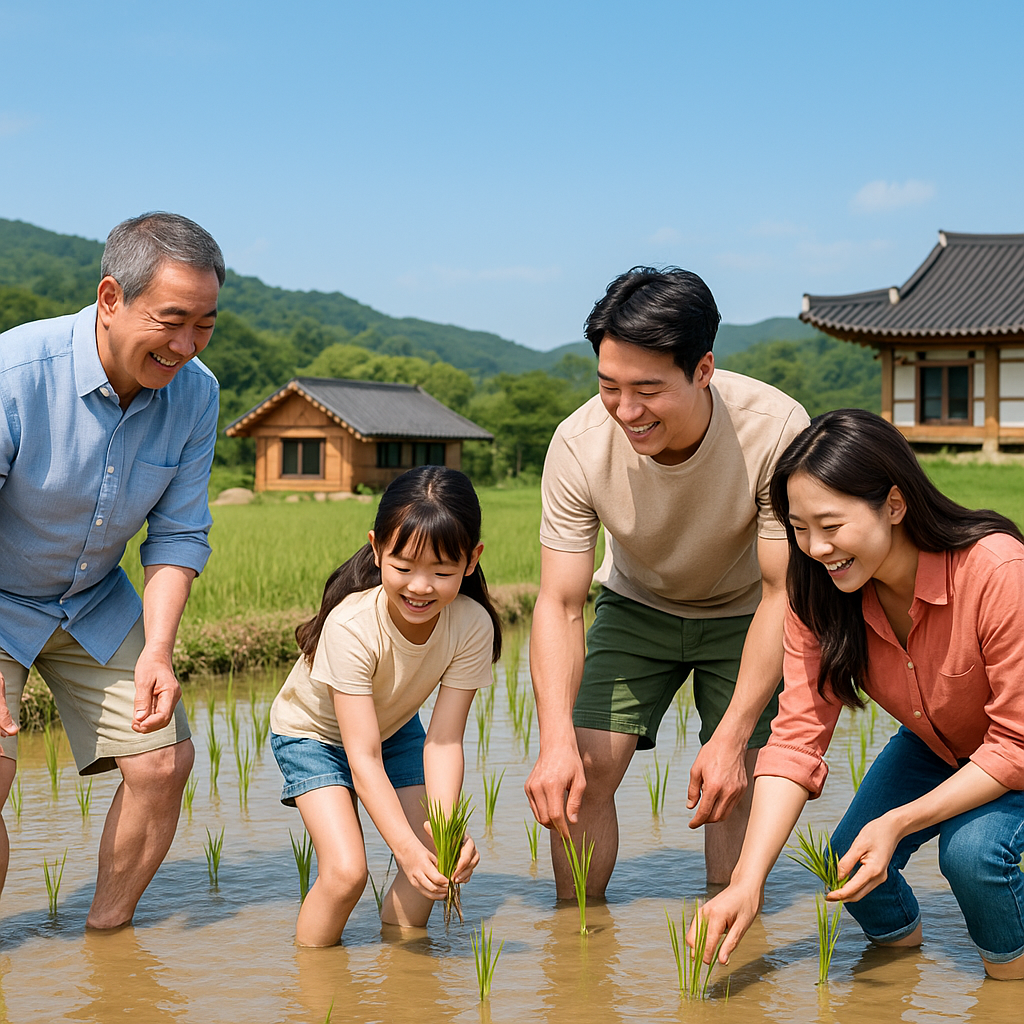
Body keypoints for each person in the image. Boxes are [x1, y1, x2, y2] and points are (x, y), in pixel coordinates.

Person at [694, 409, 1024, 980]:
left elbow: (1015, 743)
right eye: (799, 527)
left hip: (1013, 747)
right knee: (848, 858)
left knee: (972, 857)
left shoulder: (997, 570)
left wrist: (899, 821)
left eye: (832, 524)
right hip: (936, 743)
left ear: (894, 505)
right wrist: (747, 882)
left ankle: (1008, 986)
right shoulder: (820, 598)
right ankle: (896, 974)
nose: (816, 548)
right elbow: (795, 739)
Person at [525, 267, 809, 896]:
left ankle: (725, 950)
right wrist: (553, 744)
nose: (627, 411)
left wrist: (732, 737)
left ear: (703, 369)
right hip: (636, 606)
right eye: (609, 387)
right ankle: (580, 950)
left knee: (738, 784)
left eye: (648, 390)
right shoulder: (578, 445)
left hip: (747, 614)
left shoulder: (775, 431)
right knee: (583, 773)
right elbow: (561, 602)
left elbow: (780, 593)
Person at [0, 211, 223, 928]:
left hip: (94, 599)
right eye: (171, 320)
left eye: (206, 324)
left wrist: (158, 651)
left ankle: (108, 942)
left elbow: (179, 532)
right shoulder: (14, 374)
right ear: (109, 298)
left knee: (162, 763)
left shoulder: (197, 395)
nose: (186, 346)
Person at [270, 466, 501, 945]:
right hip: (313, 735)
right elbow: (362, 757)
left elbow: (443, 741)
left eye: (442, 572)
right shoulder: (351, 626)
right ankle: (315, 990)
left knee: (436, 848)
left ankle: (399, 965)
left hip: (394, 730)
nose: (421, 587)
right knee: (346, 871)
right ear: (377, 550)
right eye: (403, 567)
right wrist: (403, 847)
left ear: (471, 560)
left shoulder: (472, 625)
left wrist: (444, 831)